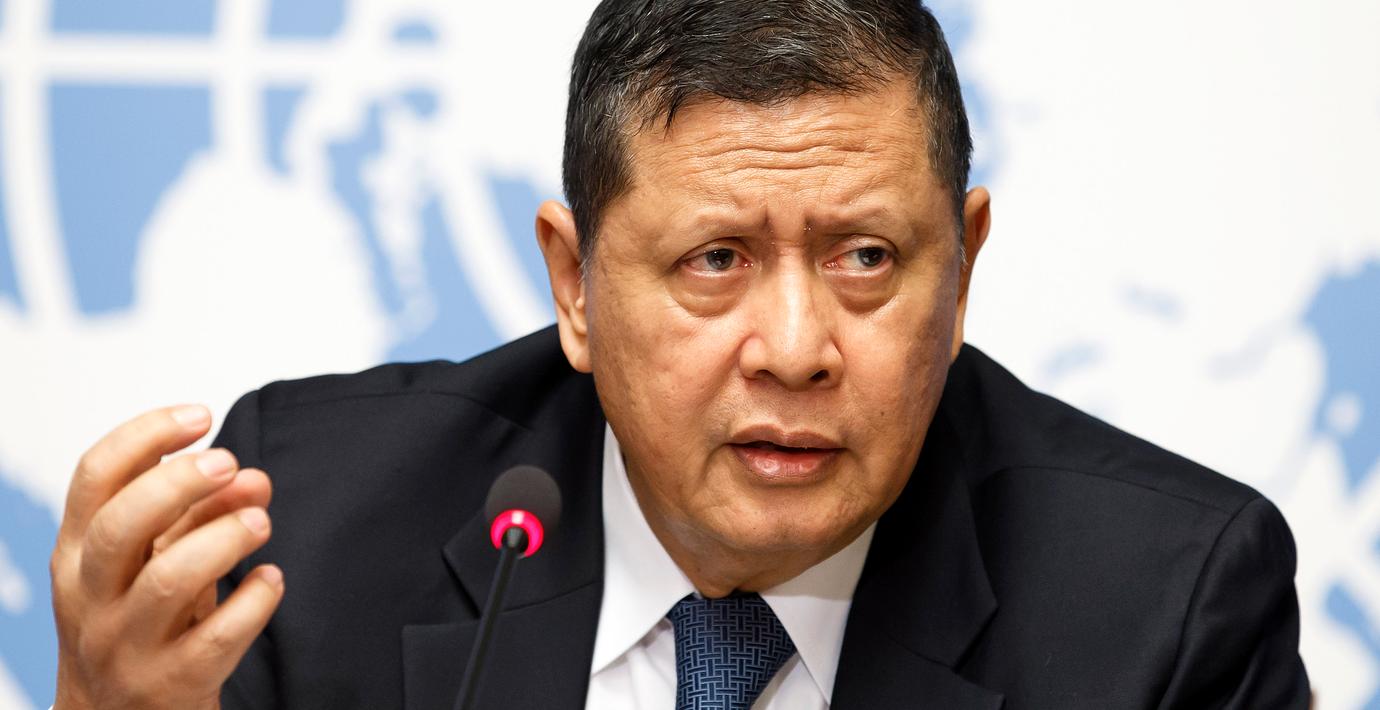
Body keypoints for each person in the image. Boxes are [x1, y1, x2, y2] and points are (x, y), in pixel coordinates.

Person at [47, 1, 1310, 708]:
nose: (797, 350)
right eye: (715, 259)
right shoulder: (312, 530)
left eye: (867, 256)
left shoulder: (1164, 613)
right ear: (575, 284)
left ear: (964, 265)